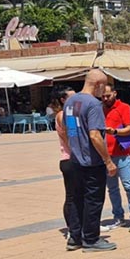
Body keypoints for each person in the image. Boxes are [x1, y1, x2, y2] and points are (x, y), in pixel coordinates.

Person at [62, 69, 118, 252]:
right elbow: (95, 135)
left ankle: (75, 237)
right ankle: (91, 239)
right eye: (104, 86)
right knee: (93, 201)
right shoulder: (93, 104)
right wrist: (108, 161)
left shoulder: (70, 102)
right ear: (99, 84)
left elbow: (67, 129)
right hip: (91, 162)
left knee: (76, 199)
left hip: (75, 159)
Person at [100, 85, 130, 233]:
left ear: (115, 93)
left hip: (122, 154)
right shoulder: (99, 109)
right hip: (106, 155)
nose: (105, 99)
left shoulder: (124, 108)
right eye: (103, 96)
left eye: (108, 95)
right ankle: (118, 216)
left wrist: (115, 131)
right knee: (112, 189)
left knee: (129, 186)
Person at [52, 86, 80, 250]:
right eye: (72, 97)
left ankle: (78, 226)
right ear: (63, 100)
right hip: (69, 159)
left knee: (78, 195)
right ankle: (72, 228)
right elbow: (70, 137)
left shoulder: (69, 114)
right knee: (71, 196)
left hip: (74, 159)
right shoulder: (63, 115)